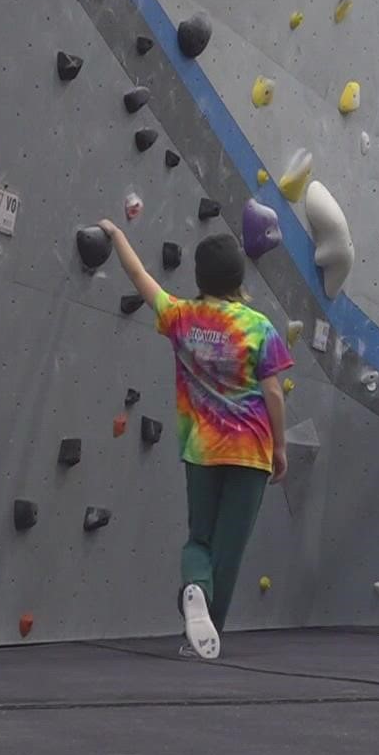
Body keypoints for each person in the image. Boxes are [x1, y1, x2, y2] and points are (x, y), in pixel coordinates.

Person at [98, 220, 292, 662]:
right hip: (251, 451)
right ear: (239, 278)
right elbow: (274, 392)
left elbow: (139, 277)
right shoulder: (260, 327)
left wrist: (116, 233)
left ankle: (194, 591)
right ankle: (206, 635)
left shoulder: (182, 317)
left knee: (199, 540)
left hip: (202, 449)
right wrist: (280, 448)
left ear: (200, 277)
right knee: (229, 548)